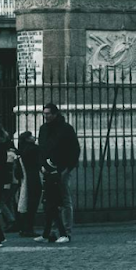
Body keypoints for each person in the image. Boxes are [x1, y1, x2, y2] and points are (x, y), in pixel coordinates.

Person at [36, 103, 79, 242]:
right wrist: (42, 165)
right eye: (44, 114)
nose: (45, 116)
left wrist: (67, 168)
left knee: (64, 199)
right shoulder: (43, 129)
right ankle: (50, 231)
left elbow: (74, 150)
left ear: (55, 114)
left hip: (62, 169)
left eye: (48, 114)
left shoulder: (66, 129)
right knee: (50, 201)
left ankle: (66, 230)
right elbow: (41, 149)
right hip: (47, 170)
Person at [11, 131, 42, 237]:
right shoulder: (34, 149)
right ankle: (29, 228)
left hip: (24, 179)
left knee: (24, 204)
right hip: (33, 178)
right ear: (27, 139)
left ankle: (23, 227)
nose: (34, 137)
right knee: (32, 204)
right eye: (31, 136)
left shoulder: (21, 151)